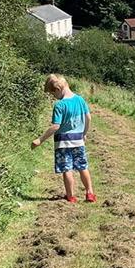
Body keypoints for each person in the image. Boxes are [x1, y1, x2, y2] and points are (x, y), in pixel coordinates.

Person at [32, 74, 96, 203]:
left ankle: (71, 196)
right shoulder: (80, 100)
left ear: (57, 89)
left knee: (67, 169)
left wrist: (40, 140)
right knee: (83, 167)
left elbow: (56, 126)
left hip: (63, 143)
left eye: (52, 94)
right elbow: (88, 117)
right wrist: (84, 133)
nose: (53, 97)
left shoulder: (59, 105)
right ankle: (90, 193)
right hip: (78, 140)